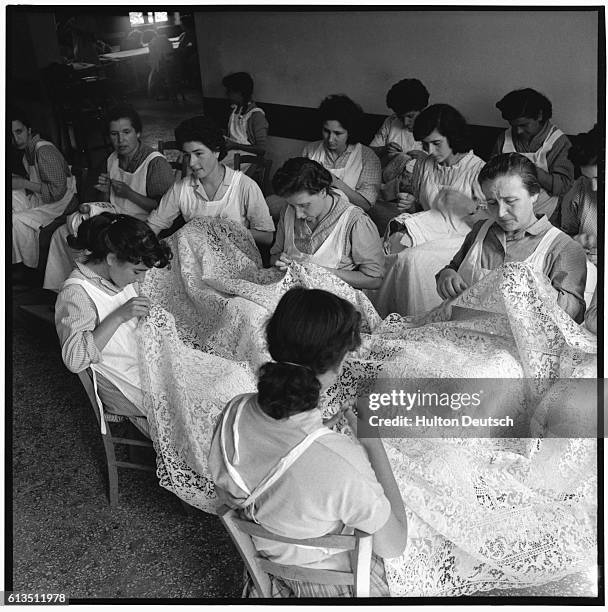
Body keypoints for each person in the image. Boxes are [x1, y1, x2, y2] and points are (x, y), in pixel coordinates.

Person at [208, 287, 407, 597]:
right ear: (338, 364)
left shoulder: (235, 410)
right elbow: (394, 545)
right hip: (328, 584)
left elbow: (231, 490)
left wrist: (318, 437)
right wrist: (371, 441)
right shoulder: (342, 462)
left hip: (269, 561)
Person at [55, 213, 172, 437]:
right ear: (110, 258)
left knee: (225, 380)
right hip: (124, 381)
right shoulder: (76, 293)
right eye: (137, 272)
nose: (140, 280)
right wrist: (118, 317)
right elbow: (75, 359)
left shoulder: (114, 276)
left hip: (143, 364)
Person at [436, 153, 587, 323]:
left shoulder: (564, 248)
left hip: (520, 347)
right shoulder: (481, 231)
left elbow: (575, 316)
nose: (500, 213)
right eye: (492, 203)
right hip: (464, 334)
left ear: (534, 194)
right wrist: (446, 275)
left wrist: (531, 288)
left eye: (511, 201)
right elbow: (453, 267)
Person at [43, 104, 175, 291]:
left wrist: (129, 193)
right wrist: (104, 190)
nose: (120, 140)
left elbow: (164, 208)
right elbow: (107, 200)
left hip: (140, 224)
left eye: (126, 132)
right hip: (115, 217)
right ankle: (67, 289)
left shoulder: (155, 163)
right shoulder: (112, 158)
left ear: (138, 133)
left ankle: (98, 291)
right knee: (62, 233)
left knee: (94, 244)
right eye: (114, 134)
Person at [373, 104, 487, 317]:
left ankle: (414, 319)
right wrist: (410, 203)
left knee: (411, 259)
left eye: (436, 143)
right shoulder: (424, 165)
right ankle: (384, 316)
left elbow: (488, 225)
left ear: (453, 136)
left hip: (461, 239)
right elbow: (421, 205)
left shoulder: (478, 170)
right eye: (426, 144)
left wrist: (467, 206)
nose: (430, 151)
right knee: (385, 247)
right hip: (428, 228)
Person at [146, 116, 275, 247]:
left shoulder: (244, 186)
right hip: (197, 260)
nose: (191, 162)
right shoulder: (181, 188)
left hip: (236, 261)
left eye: (199, 154)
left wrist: (230, 231)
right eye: (187, 155)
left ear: (216, 151)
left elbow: (267, 236)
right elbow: (154, 224)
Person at [270, 158, 384, 290]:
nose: (298, 215)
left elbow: (374, 280)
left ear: (323, 192)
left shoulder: (355, 222)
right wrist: (278, 260)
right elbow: (274, 256)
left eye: (304, 205)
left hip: (330, 301)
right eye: (292, 205)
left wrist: (326, 273)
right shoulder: (288, 211)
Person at [492, 88, 573, 219]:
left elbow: (563, 187)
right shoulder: (504, 138)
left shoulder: (558, 142)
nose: (518, 131)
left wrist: (530, 170)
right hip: (506, 209)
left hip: (545, 213)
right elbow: (490, 175)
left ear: (540, 115)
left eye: (524, 125)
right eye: (513, 126)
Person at [11, 113, 76, 270]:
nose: (15, 139)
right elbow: (37, 180)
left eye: (19, 132)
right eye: (10, 135)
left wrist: (24, 183)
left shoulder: (43, 150)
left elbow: (57, 191)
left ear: (29, 130)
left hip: (62, 202)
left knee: (16, 220)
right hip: (44, 197)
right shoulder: (28, 153)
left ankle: (27, 266)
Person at [302, 95, 381, 212]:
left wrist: (335, 182)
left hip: (348, 217)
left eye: (338, 133)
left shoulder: (367, 157)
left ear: (350, 132)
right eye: (326, 131)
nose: (330, 139)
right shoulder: (311, 150)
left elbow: (366, 205)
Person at [369, 78, 429, 199]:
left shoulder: (435, 128)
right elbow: (368, 153)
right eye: (401, 117)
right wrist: (384, 149)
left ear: (422, 110)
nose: (406, 122)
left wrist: (426, 159)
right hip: (387, 180)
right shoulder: (391, 122)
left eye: (411, 116)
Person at [222, 72, 269, 169]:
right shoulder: (235, 110)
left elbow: (262, 149)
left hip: (247, 158)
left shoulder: (256, 115)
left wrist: (236, 145)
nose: (226, 94)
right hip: (232, 153)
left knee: (219, 171)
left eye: (229, 91)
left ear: (240, 93)